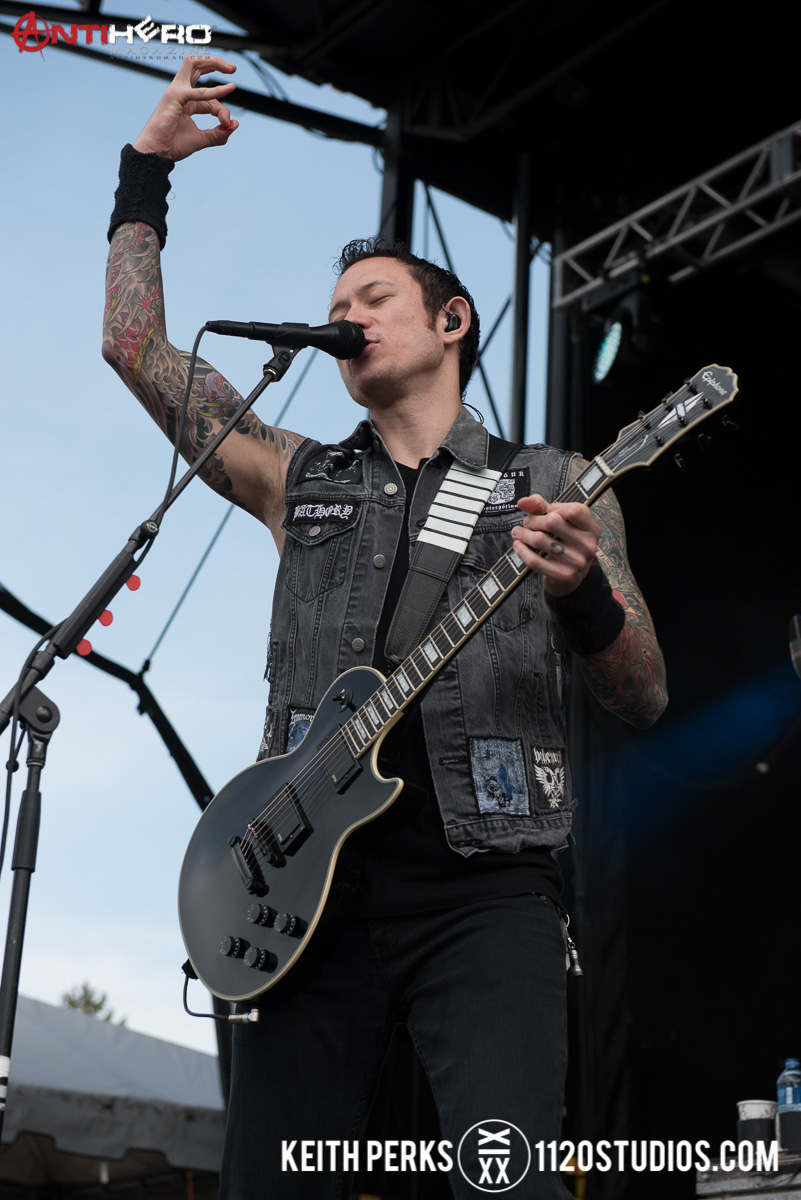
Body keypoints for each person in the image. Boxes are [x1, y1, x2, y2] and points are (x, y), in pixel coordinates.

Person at [103, 56, 667, 1200]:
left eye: (371, 300)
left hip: (488, 886)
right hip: (303, 891)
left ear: (453, 321)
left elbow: (643, 693)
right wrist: (145, 172)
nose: (343, 318)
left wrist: (582, 596)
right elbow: (137, 350)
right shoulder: (298, 475)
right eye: (335, 309)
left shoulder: (554, 482)